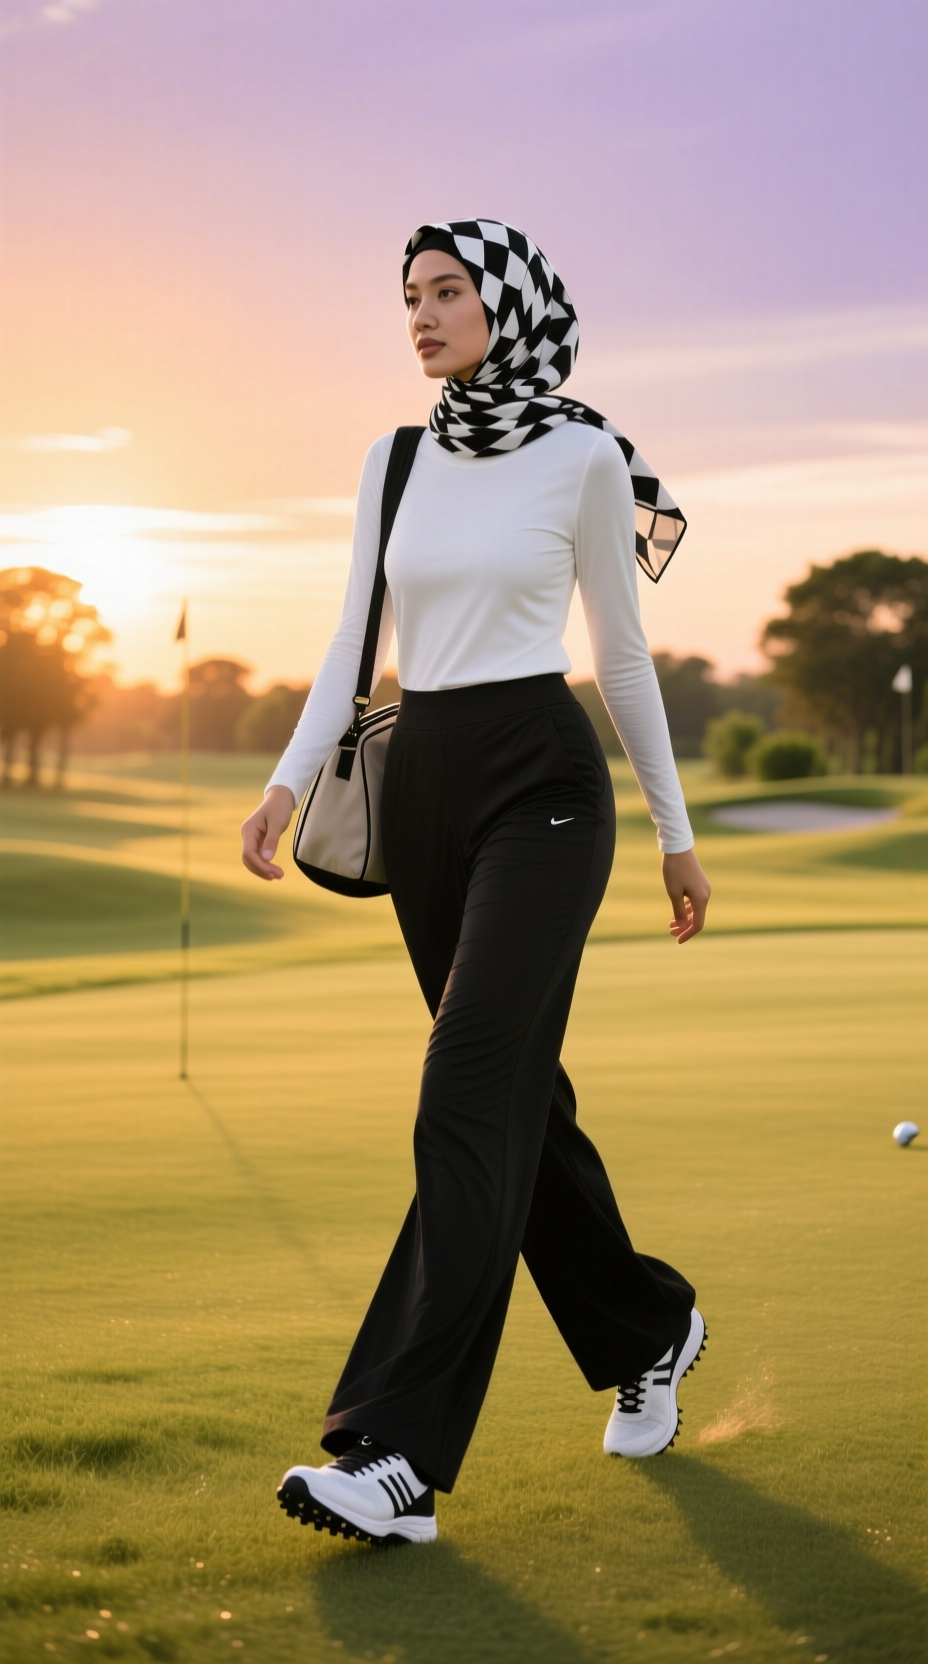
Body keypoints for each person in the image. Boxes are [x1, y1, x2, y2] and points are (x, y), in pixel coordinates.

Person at [241, 218, 712, 1547]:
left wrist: (674, 830)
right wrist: (284, 777)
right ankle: (651, 1322)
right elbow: (350, 636)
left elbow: (621, 660)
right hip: (424, 784)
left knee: (461, 1090)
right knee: (515, 1097)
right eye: (409, 298)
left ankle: (394, 1458)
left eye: (448, 292)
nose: (424, 315)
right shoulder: (391, 462)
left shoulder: (584, 455)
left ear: (506, 302)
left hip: (546, 783)